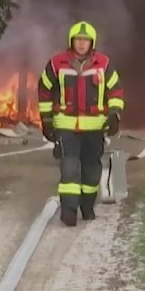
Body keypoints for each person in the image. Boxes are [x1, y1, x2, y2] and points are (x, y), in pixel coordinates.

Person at [37, 21, 125, 227]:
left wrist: (114, 114)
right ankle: (69, 211)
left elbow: (116, 91)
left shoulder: (103, 65)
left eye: (85, 40)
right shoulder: (56, 64)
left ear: (92, 43)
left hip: (94, 129)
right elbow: (44, 90)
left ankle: (87, 206)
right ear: (72, 41)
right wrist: (47, 120)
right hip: (66, 128)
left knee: (92, 171)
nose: (82, 44)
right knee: (69, 169)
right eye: (78, 40)